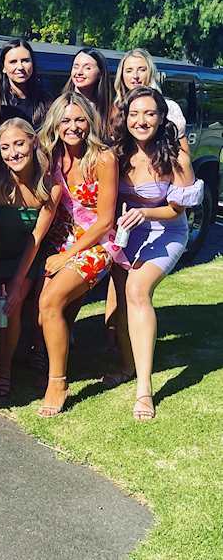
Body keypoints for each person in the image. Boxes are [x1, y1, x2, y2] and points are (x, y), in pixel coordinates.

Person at [111, 87, 202, 420]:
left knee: (137, 290)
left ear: (162, 117)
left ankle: (144, 390)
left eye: (149, 113)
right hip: (126, 232)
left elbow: (177, 211)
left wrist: (145, 213)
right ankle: (127, 366)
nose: (141, 121)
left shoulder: (176, 158)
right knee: (119, 303)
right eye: (134, 114)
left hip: (167, 231)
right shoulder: (117, 153)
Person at [36, 92, 125, 417]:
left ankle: (57, 382)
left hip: (96, 244)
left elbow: (105, 222)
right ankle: (55, 358)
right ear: (55, 124)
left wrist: (67, 256)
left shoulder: (103, 158)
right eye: (65, 120)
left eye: (79, 120)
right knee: (45, 314)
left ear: (90, 121)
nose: (73, 127)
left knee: (49, 303)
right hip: (61, 239)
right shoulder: (52, 155)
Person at [0, 118, 61, 398]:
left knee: (14, 304)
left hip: (26, 258)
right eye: (5, 147)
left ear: (33, 142)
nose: (13, 153)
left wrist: (15, 284)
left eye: (19, 144)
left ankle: (5, 370)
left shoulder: (50, 187)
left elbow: (36, 238)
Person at [113, 48, 188, 152]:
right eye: (129, 71)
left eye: (142, 70)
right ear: (121, 75)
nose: (135, 76)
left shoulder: (170, 108)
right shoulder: (114, 109)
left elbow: (184, 154)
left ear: (151, 72)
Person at [0, 39, 50, 129]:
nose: (20, 67)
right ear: (3, 67)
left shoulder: (45, 101)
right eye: (13, 62)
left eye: (25, 61)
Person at [62, 48, 113, 140]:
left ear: (100, 73)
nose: (79, 72)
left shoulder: (110, 111)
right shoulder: (61, 105)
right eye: (76, 67)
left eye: (87, 68)